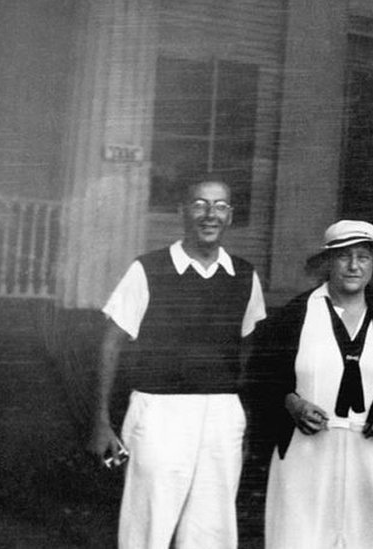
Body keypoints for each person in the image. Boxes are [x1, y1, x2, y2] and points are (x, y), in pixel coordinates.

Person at [88, 176, 267, 549]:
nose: (209, 215)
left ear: (230, 216)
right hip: (159, 411)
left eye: (219, 206)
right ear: (182, 211)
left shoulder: (245, 276)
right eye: (200, 204)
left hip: (221, 414)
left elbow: (246, 350)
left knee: (212, 530)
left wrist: (240, 415)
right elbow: (110, 343)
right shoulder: (148, 269)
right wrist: (102, 421)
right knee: (148, 524)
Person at [252, 220, 373, 549]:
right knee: (299, 538)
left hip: (366, 448)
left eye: (364, 257)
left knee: (365, 540)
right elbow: (264, 374)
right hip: (305, 449)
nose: (354, 265)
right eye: (344, 256)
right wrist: (293, 404)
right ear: (328, 262)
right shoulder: (295, 314)